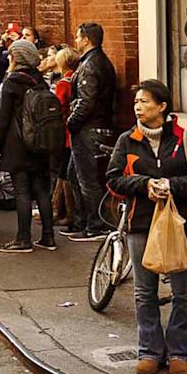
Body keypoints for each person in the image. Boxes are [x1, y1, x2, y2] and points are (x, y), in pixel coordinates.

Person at [107, 80, 187, 374]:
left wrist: (171, 185)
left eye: (144, 102)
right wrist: (144, 185)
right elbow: (113, 179)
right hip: (141, 223)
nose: (138, 107)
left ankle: (180, 352)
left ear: (162, 106)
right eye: (136, 102)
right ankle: (150, 351)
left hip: (183, 224)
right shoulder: (127, 140)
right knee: (144, 291)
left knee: (183, 292)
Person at [0, 39, 57, 253]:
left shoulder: (12, 82)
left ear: (17, 58)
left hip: (17, 143)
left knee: (22, 191)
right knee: (41, 190)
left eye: (11, 55)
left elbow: (2, 119)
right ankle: (48, 237)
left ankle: (23, 238)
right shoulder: (40, 80)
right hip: (40, 142)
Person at [63, 21, 118, 241]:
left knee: (87, 179)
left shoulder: (90, 65)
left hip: (89, 129)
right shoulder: (97, 62)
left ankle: (95, 226)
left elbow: (86, 101)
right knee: (74, 175)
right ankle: (81, 221)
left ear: (86, 40)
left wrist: (71, 122)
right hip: (94, 127)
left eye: (78, 37)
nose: (76, 41)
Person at [52, 46, 81, 228]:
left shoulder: (64, 83)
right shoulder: (76, 80)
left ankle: (66, 212)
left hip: (65, 133)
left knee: (64, 172)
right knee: (66, 172)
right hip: (73, 133)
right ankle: (60, 209)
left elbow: (58, 106)